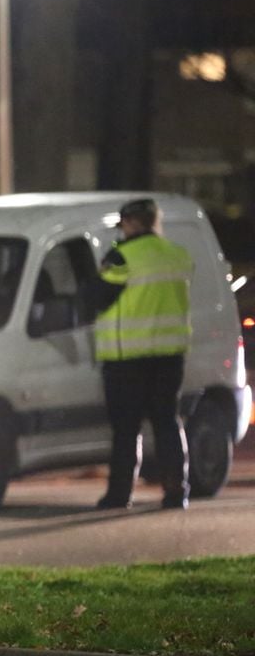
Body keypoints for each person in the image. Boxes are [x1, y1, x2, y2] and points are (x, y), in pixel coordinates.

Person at [88, 197, 193, 510]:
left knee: (126, 429)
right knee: (167, 423)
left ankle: (120, 494)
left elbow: (98, 297)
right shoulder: (178, 255)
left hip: (127, 359)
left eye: (123, 224)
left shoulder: (121, 257)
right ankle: (176, 491)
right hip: (170, 357)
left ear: (132, 223)